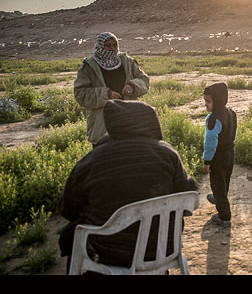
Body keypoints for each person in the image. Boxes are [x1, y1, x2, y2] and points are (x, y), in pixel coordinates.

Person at [58, 99, 198, 273]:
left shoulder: (91, 160)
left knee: (74, 234)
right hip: (162, 248)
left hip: (111, 253)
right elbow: (188, 203)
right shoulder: (168, 154)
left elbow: (68, 210)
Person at [74, 32, 150, 146]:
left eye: (115, 45)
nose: (112, 48)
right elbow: (81, 94)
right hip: (102, 124)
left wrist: (133, 86)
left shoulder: (127, 62)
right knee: (105, 160)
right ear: (100, 47)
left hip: (129, 120)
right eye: (108, 45)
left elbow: (144, 80)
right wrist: (107, 95)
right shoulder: (89, 66)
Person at [202, 82, 237, 228]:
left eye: (208, 102)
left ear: (218, 101)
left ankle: (224, 217)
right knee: (224, 180)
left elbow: (210, 143)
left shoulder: (213, 119)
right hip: (230, 153)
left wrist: (207, 161)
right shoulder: (231, 113)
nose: (206, 105)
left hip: (218, 156)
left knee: (217, 183)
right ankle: (218, 198)